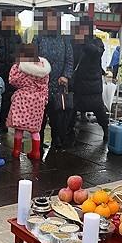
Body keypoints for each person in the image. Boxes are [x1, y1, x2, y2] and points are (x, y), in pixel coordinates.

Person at [33, 8, 73, 149]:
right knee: (40, 118)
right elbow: (31, 60)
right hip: (40, 86)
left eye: (54, 20)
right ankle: (38, 144)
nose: (51, 22)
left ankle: (57, 141)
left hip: (58, 85)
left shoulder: (64, 39)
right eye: (48, 20)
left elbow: (69, 59)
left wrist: (65, 75)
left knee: (57, 117)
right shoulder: (38, 37)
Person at [69, 16, 109, 142]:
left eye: (86, 27)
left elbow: (97, 52)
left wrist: (84, 42)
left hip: (92, 85)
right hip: (78, 83)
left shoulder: (96, 42)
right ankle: (68, 132)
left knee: (98, 109)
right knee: (72, 109)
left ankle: (106, 130)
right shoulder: (74, 42)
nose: (83, 30)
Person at [7, 44, 51, 160]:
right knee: (35, 129)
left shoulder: (22, 68)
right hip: (38, 101)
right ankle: (36, 152)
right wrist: (45, 99)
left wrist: (17, 65)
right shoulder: (43, 68)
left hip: (23, 99)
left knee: (19, 127)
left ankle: (16, 151)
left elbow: (13, 80)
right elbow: (46, 86)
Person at [0, 9, 23, 133]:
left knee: (10, 98)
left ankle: (6, 120)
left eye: (12, 19)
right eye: (7, 19)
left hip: (13, 73)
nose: (9, 21)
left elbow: (21, 52)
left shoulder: (16, 36)